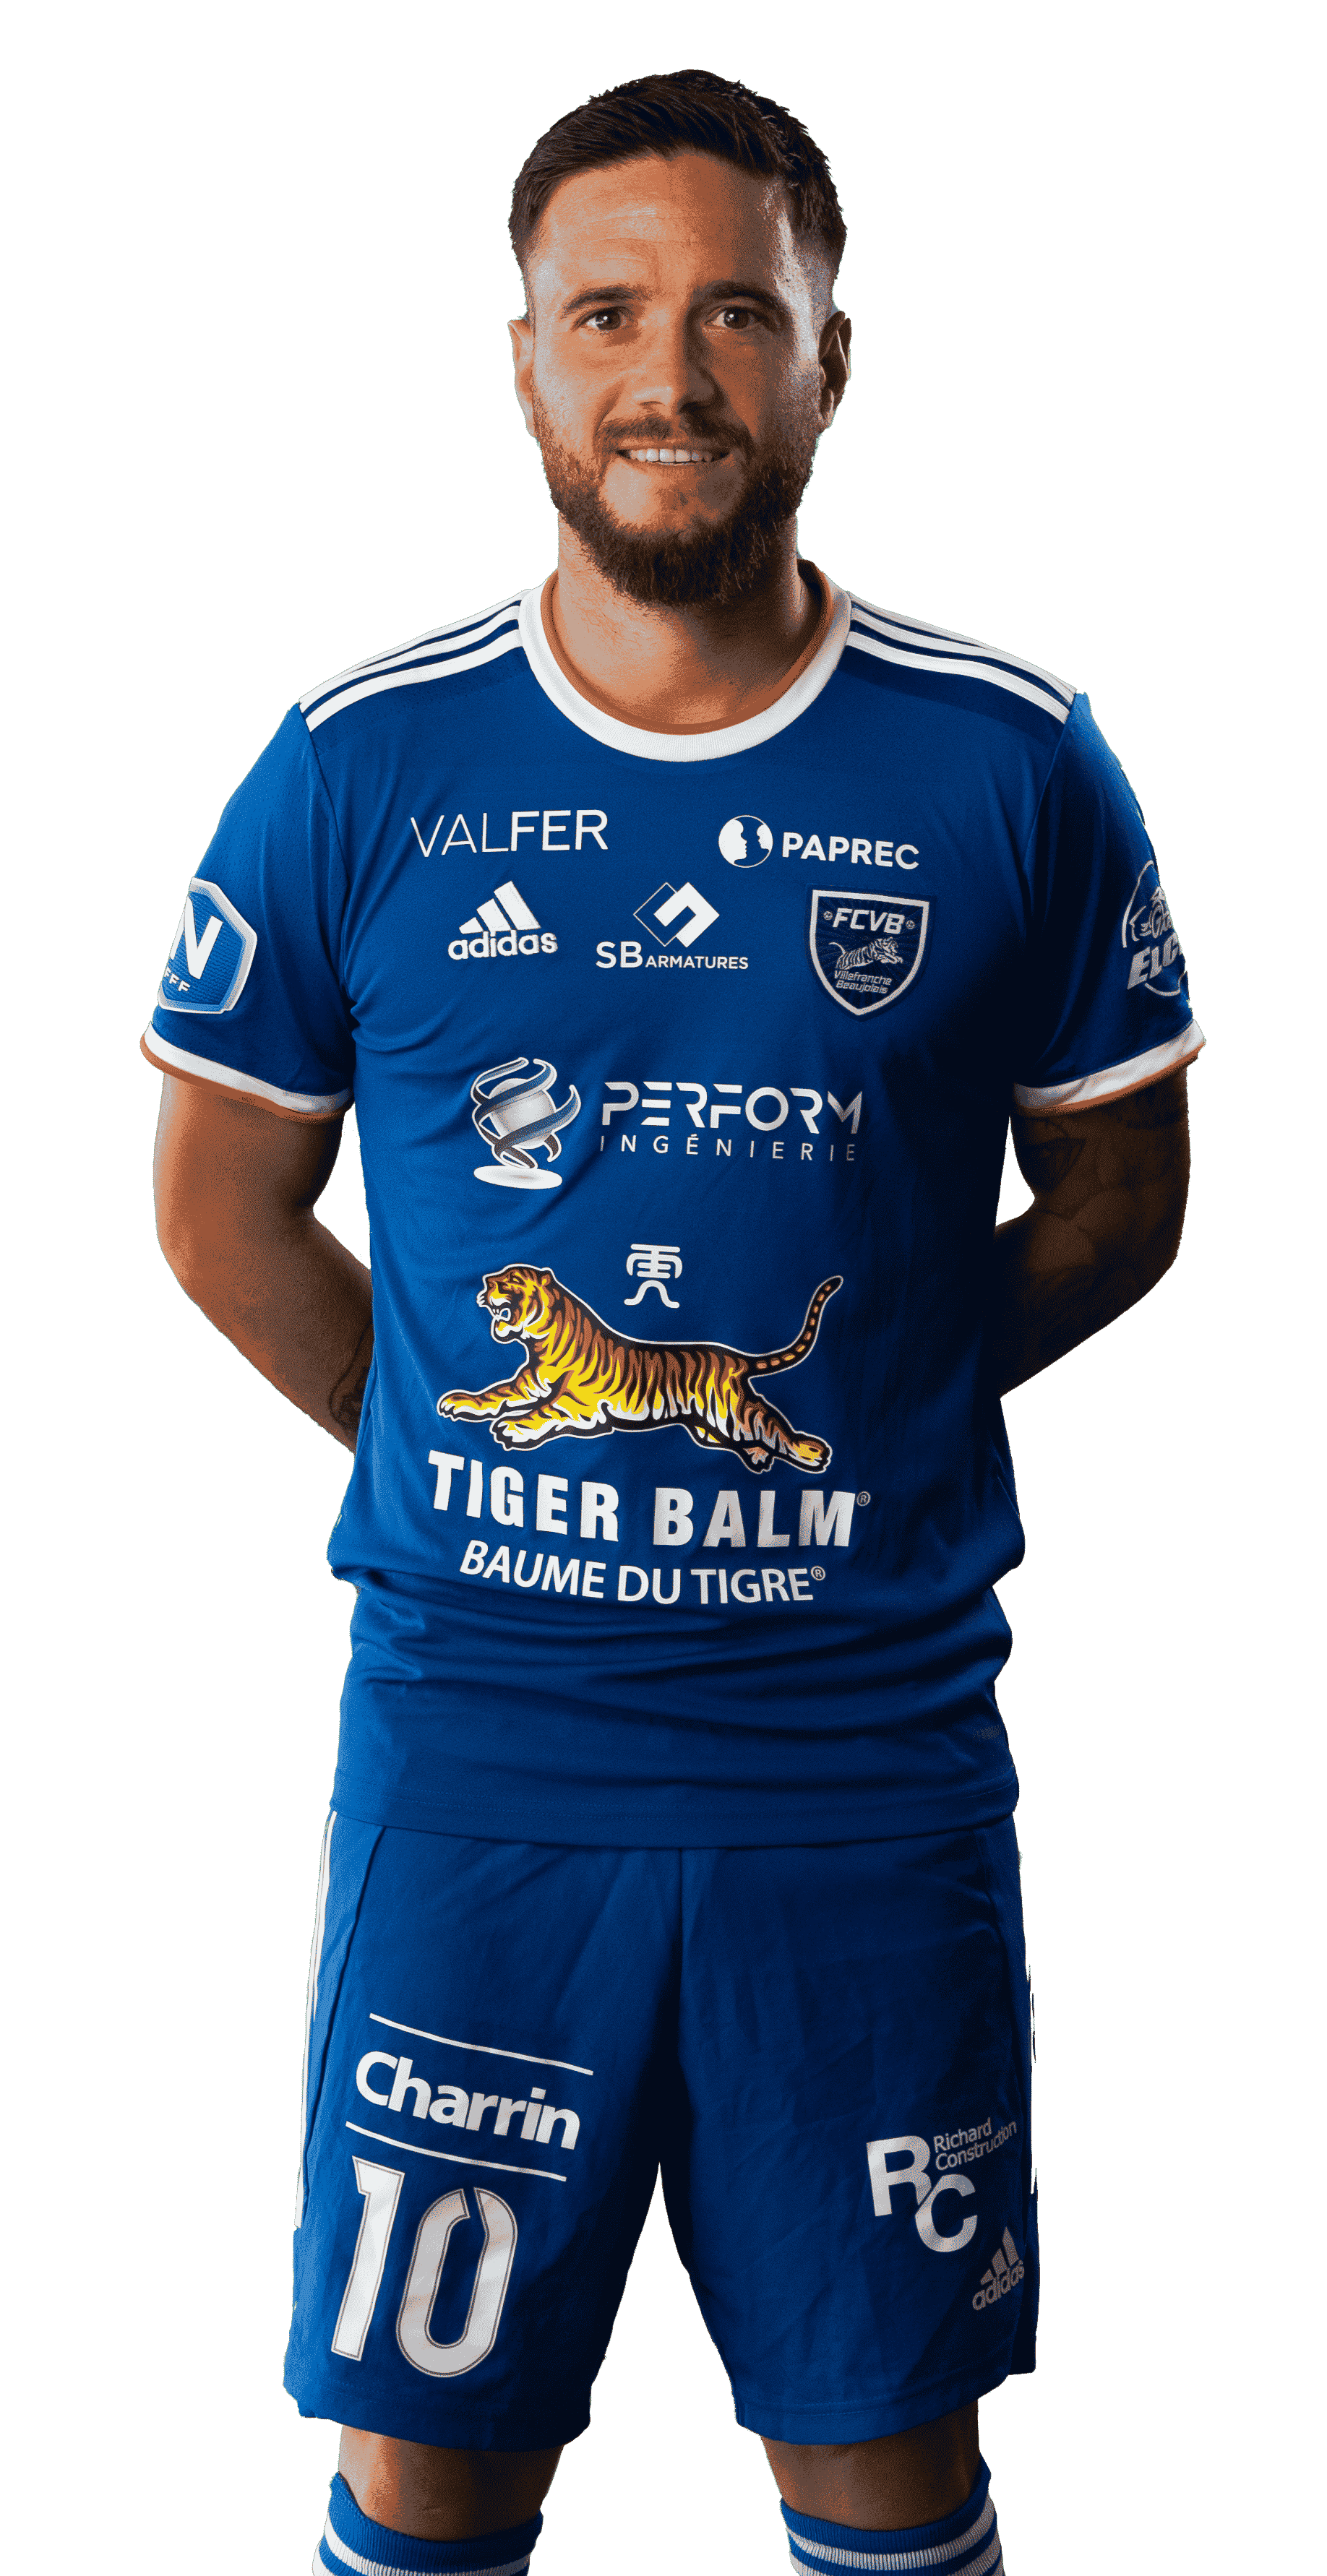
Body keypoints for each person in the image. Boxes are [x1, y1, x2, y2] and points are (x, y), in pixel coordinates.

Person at [146, 67, 1201, 2576]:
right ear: (523, 365)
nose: (670, 371)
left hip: (863, 1766)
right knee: (425, 2463)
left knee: (883, 2456)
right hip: (481, 1769)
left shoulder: (1010, 762)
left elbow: (1123, 1195)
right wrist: (455, 1431)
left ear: (832, 359)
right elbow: (216, 1205)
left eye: (739, 310)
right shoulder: (362, 762)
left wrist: (868, 1402)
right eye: (606, 311)